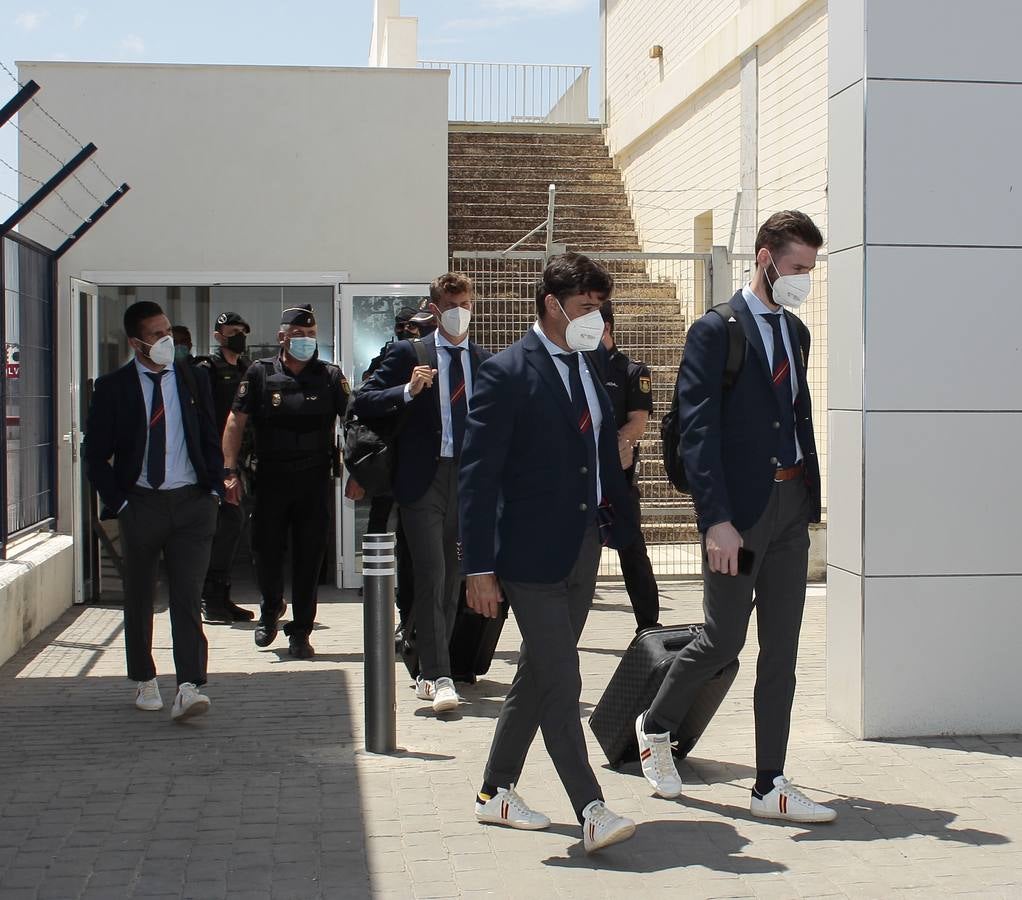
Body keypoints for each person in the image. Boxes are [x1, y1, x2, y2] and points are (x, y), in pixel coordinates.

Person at [634, 210, 835, 824]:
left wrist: (808, 498)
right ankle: (656, 726)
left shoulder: (795, 335)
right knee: (722, 639)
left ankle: (769, 782)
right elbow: (698, 431)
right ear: (765, 256)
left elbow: (791, 417)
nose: (803, 280)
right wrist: (713, 519)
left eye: (811, 270)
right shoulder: (715, 331)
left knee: (783, 650)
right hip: (739, 517)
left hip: (790, 505)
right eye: (797, 268)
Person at [460, 253, 639, 853]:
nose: (597, 318)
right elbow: (478, 478)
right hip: (528, 557)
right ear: (552, 306)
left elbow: (601, 456)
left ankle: (495, 793)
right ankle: (591, 807)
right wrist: (478, 566)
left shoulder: (590, 367)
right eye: (587, 308)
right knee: (563, 679)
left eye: (600, 308)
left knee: (538, 676)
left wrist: (620, 526)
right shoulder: (507, 372)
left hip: (581, 547)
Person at [354, 273, 490, 714]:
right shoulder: (407, 353)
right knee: (432, 575)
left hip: (468, 480)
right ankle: (438, 674)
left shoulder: (485, 361)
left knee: (453, 580)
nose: (461, 312)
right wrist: (407, 391)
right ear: (434, 310)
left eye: (467, 304)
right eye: (452, 305)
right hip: (423, 480)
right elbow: (364, 400)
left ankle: (429, 664)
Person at [83, 301, 223, 720]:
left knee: (187, 595)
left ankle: (189, 685)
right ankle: (144, 677)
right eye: (157, 335)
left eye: (169, 333)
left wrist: (213, 489)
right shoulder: (113, 387)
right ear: (136, 342)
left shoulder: (193, 378)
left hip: (192, 504)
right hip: (140, 503)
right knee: (141, 595)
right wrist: (121, 502)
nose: (167, 341)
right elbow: (95, 457)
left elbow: (209, 437)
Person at [221, 304, 354, 659]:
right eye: (298, 335)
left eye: (311, 334)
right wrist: (228, 471)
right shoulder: (261, 373)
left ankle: (301, 630)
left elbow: (352, 421)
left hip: (313, 479)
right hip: (270, 479)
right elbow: (236, 421)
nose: (305, 340)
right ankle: (270, 610)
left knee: (309, 557)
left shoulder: (329, 376)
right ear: (282, 337)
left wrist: (358, 469)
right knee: (265, 550)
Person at [591, 301, 661, 633]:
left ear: (605, 326)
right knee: (580, 557)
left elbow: (637, 423)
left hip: (618, 480)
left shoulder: (632, 371)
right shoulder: (580, 366)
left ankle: (648, 624)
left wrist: (612, 448)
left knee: (632, 551)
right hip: (583, 482)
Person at [195, 311, 255, 624]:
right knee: (220, 528)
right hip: (216, 463)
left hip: (241, 461)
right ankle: (209, 597)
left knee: (233, 530)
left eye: (242, 331)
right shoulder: (206, 369)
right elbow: (203, 420)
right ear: (218, 336)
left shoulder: (247, 369)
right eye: (232, 331)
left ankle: (222, 596)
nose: (238, 336)